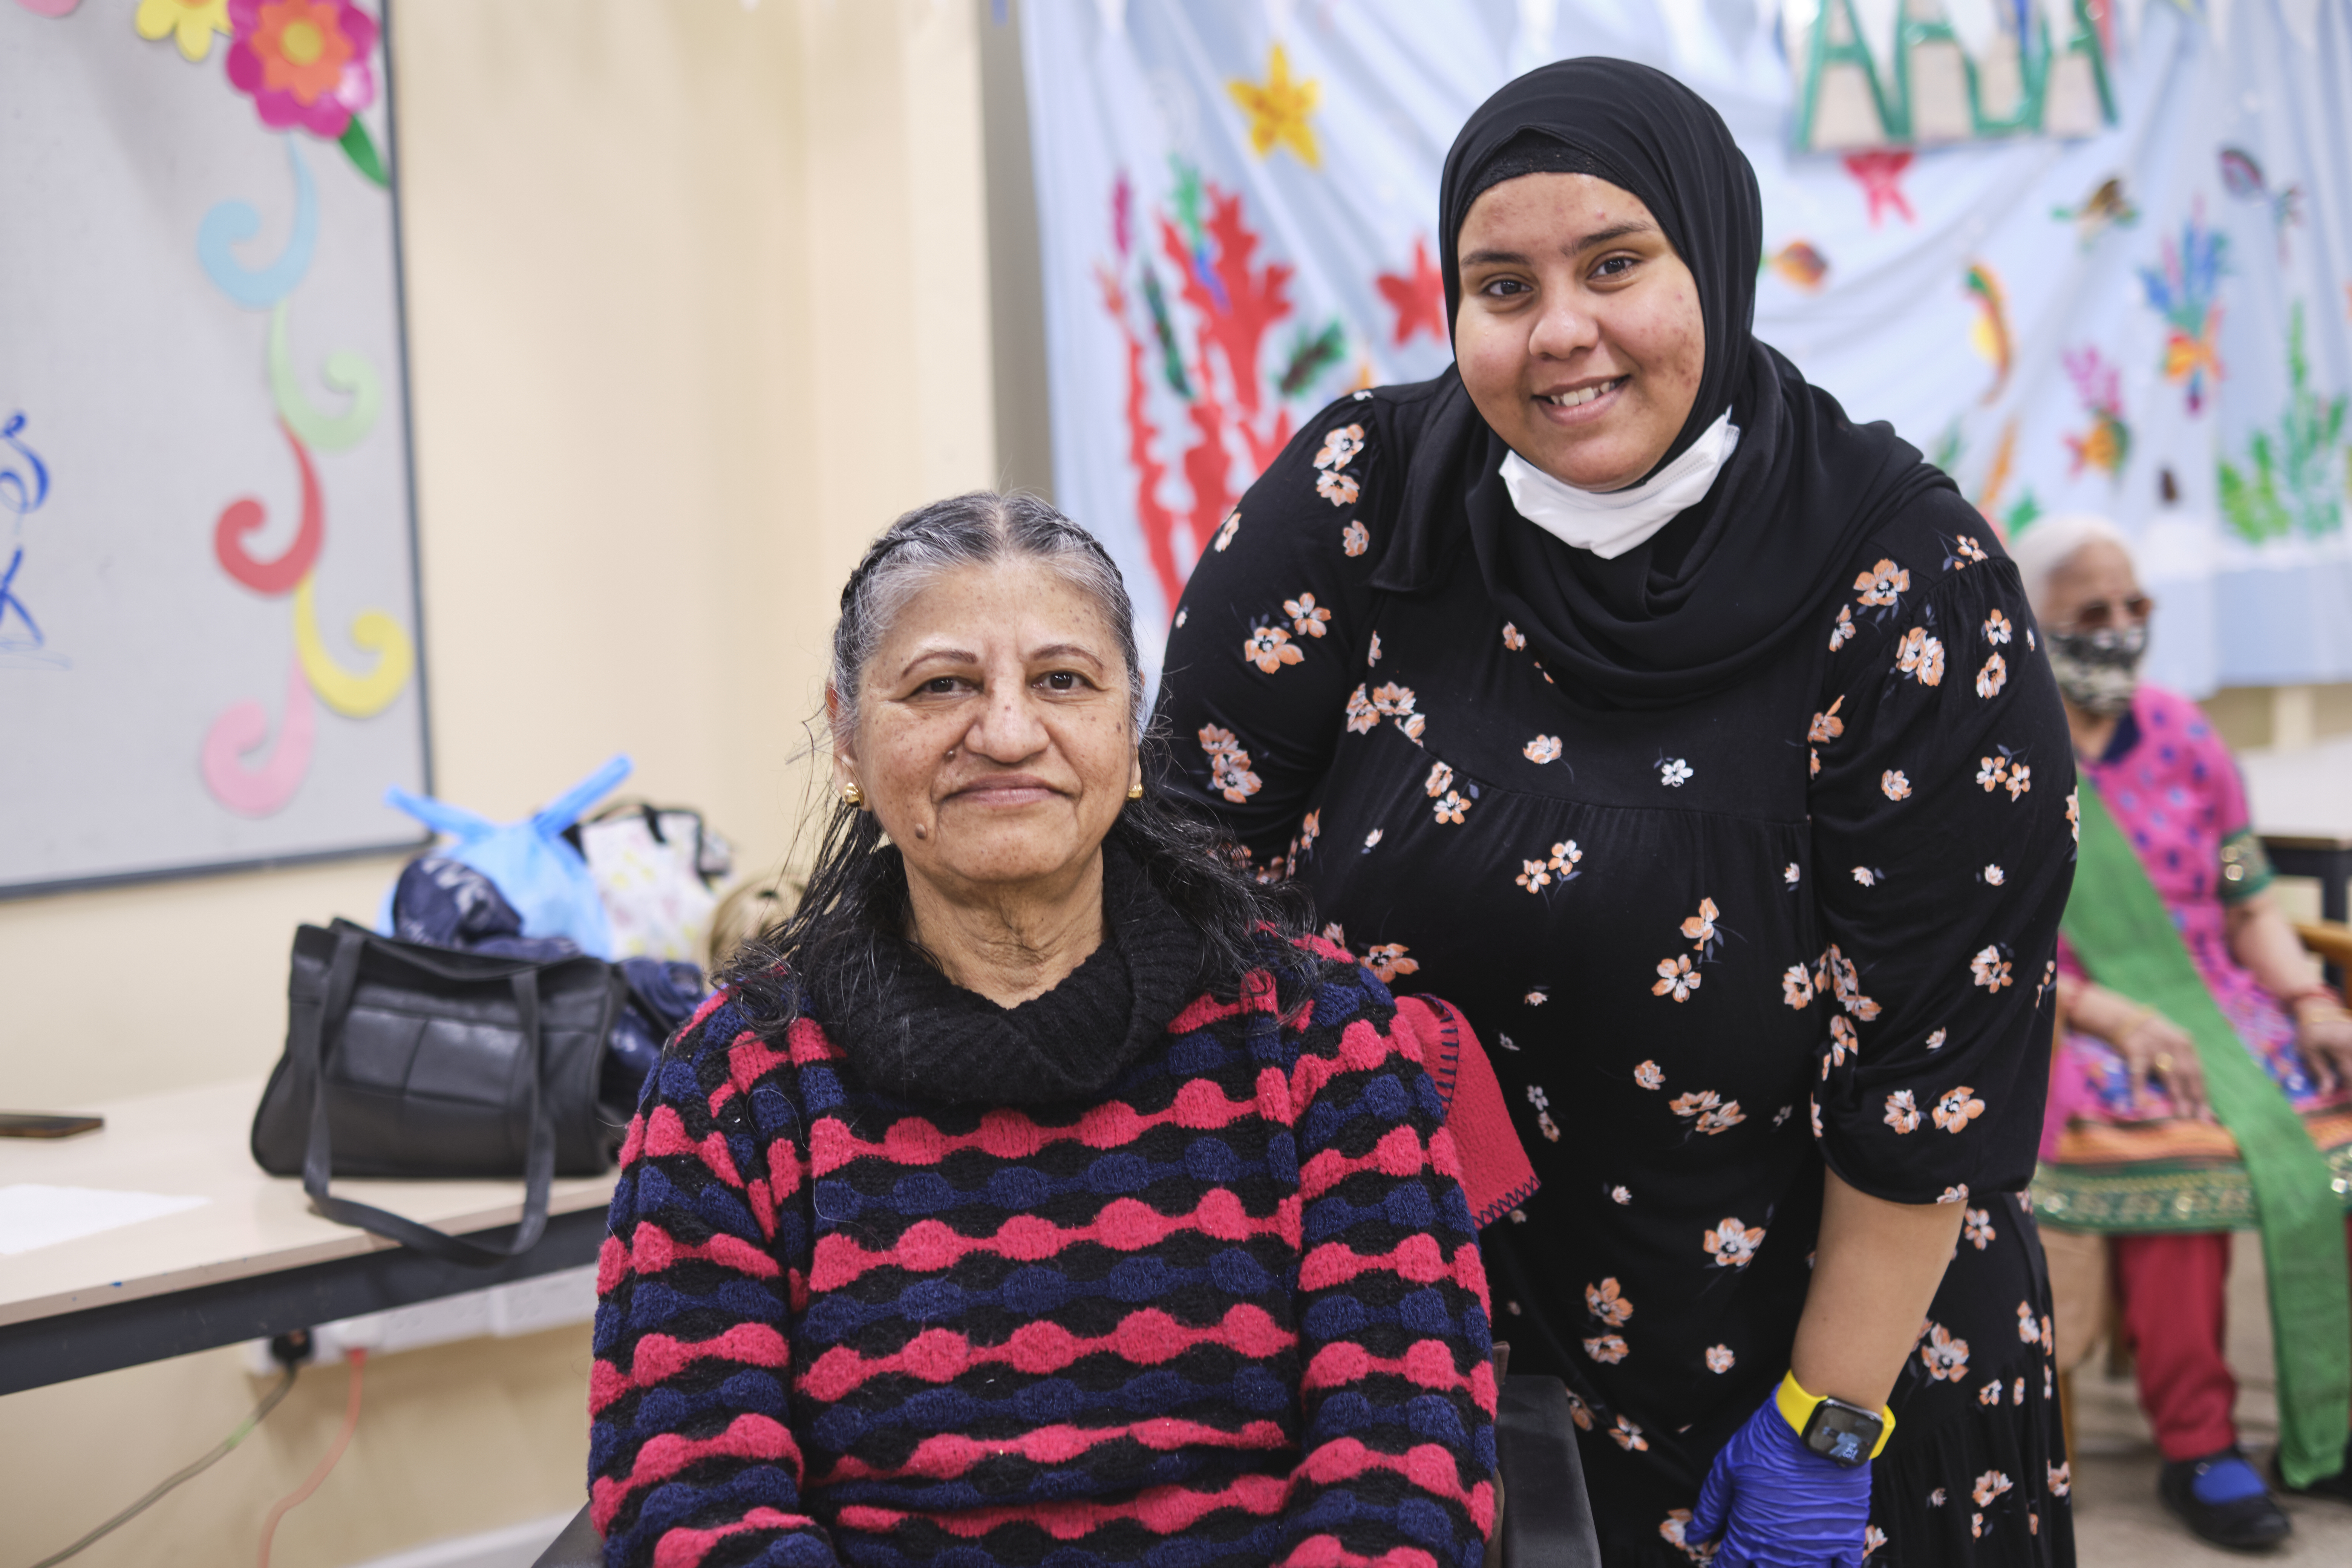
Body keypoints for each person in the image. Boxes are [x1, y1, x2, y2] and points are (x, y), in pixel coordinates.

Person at [1156, 58, 2078, 1567]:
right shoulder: (1362, 498)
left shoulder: (1904, 576)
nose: (1561, 331)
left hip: (1832, 1368)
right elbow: (1188, 875)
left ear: (1711, 258)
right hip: (1424, 1378)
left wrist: (1825, 1428)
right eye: (1503, 284)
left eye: (1613, 265)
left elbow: (1931, 1085)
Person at [588, 494, 1505, 1568]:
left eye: (1063, 681)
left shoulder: (1319, 1040)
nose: (1010, 734)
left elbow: (1408, 1457)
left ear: (1130, 726)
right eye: (943, 687)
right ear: (846, 734)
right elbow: (689, 1491)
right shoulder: (734, 1087)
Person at [2019, 513, 2352, 1549]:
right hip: (2073, 1021)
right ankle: (2199, 1445)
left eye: (2134, 609)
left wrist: (2309, 1002)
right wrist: (2103, 1010)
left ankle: (2330, 1427)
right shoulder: (1997, 750)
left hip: (2219, 1001)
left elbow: (2251, 907)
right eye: (2090, 614)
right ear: (2032, 624)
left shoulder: (2185, 734)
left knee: (2335, 1148)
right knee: (2184, 1156)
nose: (2119, 631)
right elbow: (1969, 940)